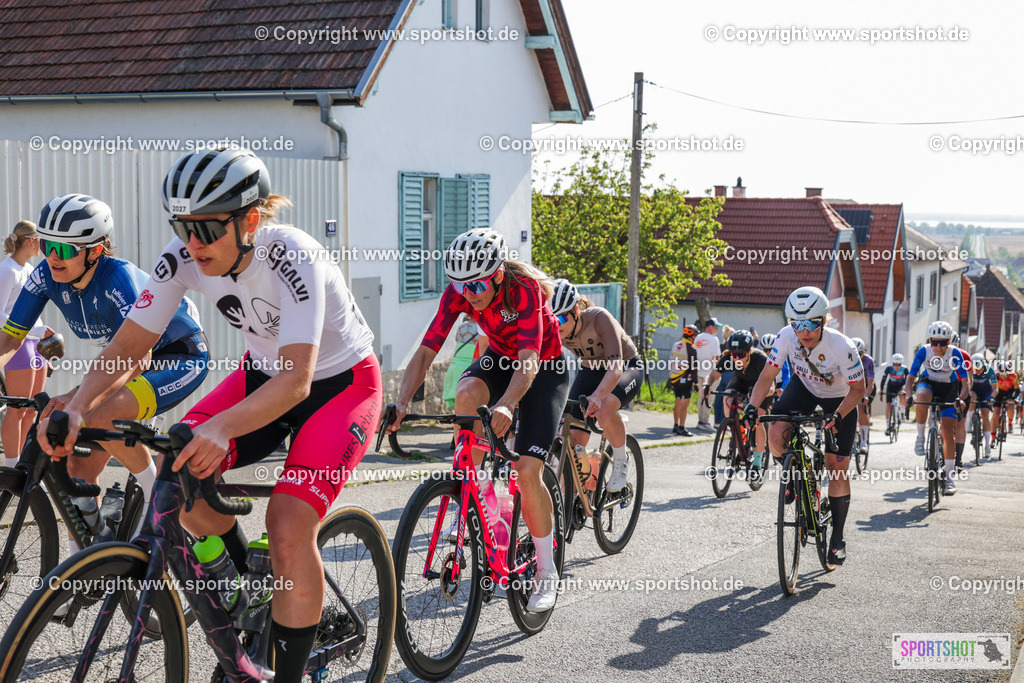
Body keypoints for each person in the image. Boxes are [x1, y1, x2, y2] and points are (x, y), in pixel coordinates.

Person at [41, 148, 381, 683]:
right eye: (182, 226)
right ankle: (250, 587)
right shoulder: (181, 257)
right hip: (260, 377)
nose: (192, 242)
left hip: (338, 387)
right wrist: (80, 404)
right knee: (179, 463)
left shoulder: (295, 256)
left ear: (250, 220)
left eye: (205, 228)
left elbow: (297, 380)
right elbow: (133, 341)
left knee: (289, 526)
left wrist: (221, 427)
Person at [1, 194, 210, 546]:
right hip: (123, 362)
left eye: (65, 250)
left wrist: (75, 396)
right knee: (76, 473)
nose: (53, 256)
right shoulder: (45, 276)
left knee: (101, 415)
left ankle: (154, 498)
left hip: (176, 357)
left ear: (95, 251)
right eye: (48, 245)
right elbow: (9, 339)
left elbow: (138, 357)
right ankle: (81, 566)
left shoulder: (120, 279)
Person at [390, 227, 567, 613]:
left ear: (498, 274)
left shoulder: (524, 290)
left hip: (543, 368)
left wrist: (506, 405)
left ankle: (547, 571)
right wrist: (400, 402)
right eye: (462, 286)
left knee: (525, 471)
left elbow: (529, 363)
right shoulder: (460, 292)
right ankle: (468, 490)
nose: (470, 294)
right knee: (467, 393)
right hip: (501, 361)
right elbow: (425, 352)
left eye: (479, 285)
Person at [747, 286, 864, 565]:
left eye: (812, 323)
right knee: (775, 436)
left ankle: (837, 538)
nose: (805, 331)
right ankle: (799, 476)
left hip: (841, 396)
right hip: (805, 388)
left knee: (836, 466)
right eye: (797, 324)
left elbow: (859, 389)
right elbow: (767, 376)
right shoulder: (786, 337)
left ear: (824, 320)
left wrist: (837, 415)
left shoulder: (842, 346)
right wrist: (752, 406)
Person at [550, 279, 642, 491]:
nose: (557, 324)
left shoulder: (599, 318)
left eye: (562, 317)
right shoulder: (554, 329)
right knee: (572, 437)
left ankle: (620, 461)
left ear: (575, 311)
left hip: (625, 367)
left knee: (604, 407)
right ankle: (575, 497)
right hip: (590, 370)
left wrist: (598, 396)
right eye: (552, 319)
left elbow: (615, 368)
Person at [0, 220, 51, 465]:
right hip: (16, 344)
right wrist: (34, 330)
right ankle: (11, 470)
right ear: (31, 241)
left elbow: (33, 311)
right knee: (17, 409)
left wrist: (42, 334)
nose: (43, 245)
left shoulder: (29, 270)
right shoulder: (8, 270)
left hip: (34, 344)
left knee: (32, 409)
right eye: (40, 240)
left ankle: (23, 466)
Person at [908, 321, 969, 496]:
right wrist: (907, 394)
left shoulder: (955, 354)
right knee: (921, 397)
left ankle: (949, 479)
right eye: (935, 342)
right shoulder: (924, 351)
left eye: (943, 343)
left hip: (949, 389)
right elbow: (911, 378)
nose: (939, 347)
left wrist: (961, 398)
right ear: (930, 340)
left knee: (948, 430)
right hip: (929, 383)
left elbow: (966, 383)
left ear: (949, 343)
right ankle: (920, 437)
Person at [703, 329, 774, 468]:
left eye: (741, 355)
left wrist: (756, 394)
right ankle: (735, 427)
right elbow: (713, 375)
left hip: (761, 387)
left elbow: (770, 388)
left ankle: (757, 463)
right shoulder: (729, 358)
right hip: (741, 382)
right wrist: (707, 385)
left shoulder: (760, 359)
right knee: (728, 398)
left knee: (757, 418)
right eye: (734, 355)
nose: (736, 359)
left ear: (749, 352)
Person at [668, 325, 699, 436]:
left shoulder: (676, 345)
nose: (695, 338)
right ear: (691, 336)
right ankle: (682, 427)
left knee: (678, 401)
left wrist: (671, 378)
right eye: (695, 335)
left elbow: (671, 361)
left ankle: (675, 426)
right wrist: (696, 383)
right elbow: (694, 367)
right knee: (685, 404)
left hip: (675, 378)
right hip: (686, 378)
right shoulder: (691, 348)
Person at [949, 332, 972, 473]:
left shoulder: (964, 356)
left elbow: (969, 379)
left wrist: (966, 395)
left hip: (961, 386)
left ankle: (958, 460)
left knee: (960, 423)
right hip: (946, 386)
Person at [694, 317, 721, 432]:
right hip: (710, 373)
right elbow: (716, 357)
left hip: (698, 371)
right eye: (716, 327)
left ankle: (700, 420)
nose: (717, 330)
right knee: (709, 397)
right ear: (710, 327)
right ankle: (704, 422)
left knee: (701, 396)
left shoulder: (697, 338)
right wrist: (718, 371)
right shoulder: (714, 339)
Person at [966, 353, 994, 458]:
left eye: (979, 367)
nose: (977, 370)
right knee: (972, 397)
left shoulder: (989, 370)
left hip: (986, 392)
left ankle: (987, 446)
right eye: (975, 368)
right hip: (973, 390)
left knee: (985, 414)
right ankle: (968, 422)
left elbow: (995, 388)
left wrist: (991, 397)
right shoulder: (968, 369)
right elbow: (966, 384)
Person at [850, 338, 875, 455]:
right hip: (851, 386)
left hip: (866, 388)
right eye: (854, 354)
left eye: (859, 353)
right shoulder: (846, 359)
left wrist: (865, 396)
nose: (857, 356)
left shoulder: (868, 361)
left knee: (861, 406)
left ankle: (863, 441)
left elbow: (870, 383)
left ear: (863, 352)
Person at [880, 353, 909, 435]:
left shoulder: (905, 369)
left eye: (898, 365)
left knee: (901, 395)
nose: (896, 367)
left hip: (900, 386)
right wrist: (881, 390)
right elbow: (883, 379)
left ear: (901, 364)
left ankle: (902, 412)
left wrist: (906, 391)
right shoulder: (889, 368)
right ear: (892, 363)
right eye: (894, 364)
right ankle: (888, 427)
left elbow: (908, 381)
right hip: (891, 386)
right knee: (888, 406)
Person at [993, 359, 1019, 446]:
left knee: (1010, 405)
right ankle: (993, 435)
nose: (1003, 377)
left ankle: (1010, 423)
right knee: (996, 413)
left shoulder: (1013, 376)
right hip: (999, 393)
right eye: (1002, 375)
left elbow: (1017, 390)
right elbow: (992, 388)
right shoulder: (996, 376)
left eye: (1005, 375)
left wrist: (1014, 398)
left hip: (1009, 393)